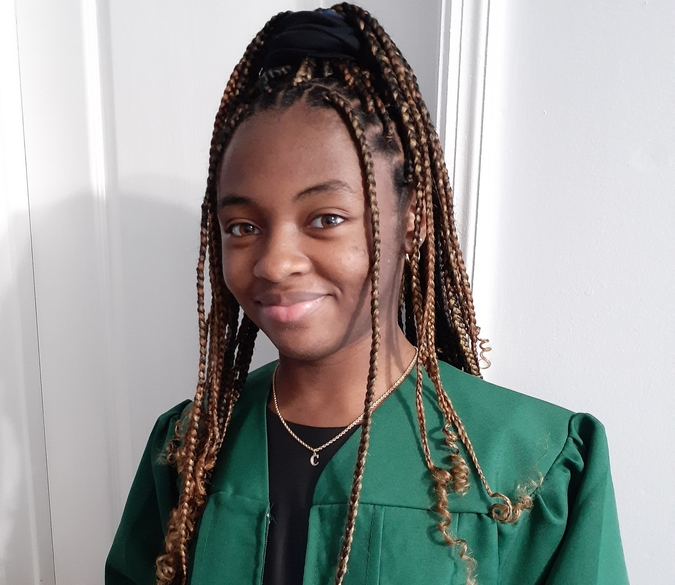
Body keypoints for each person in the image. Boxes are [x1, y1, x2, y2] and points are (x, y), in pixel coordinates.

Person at [105, 5, 629, 585]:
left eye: (326, 218)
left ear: (413, 220)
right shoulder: (190, 447)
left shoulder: (535, 463)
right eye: (243, 226)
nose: (275, 262)